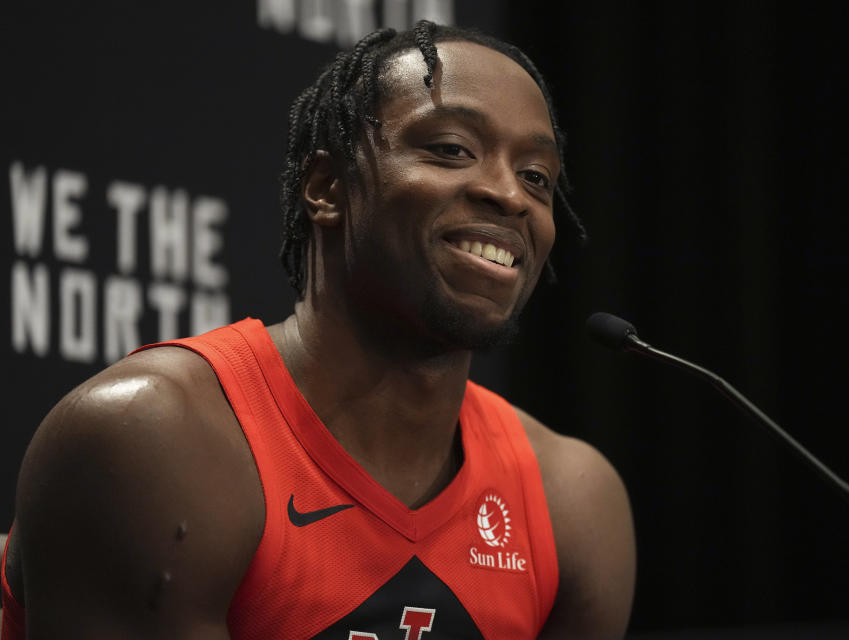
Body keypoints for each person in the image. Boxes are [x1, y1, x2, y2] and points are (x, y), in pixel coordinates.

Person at [1, 21, 635, 639]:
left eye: (536, 178)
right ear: (327, 187)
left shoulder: (571, 504)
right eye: (452, 150)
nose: (510, 196)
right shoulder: (156, 441)